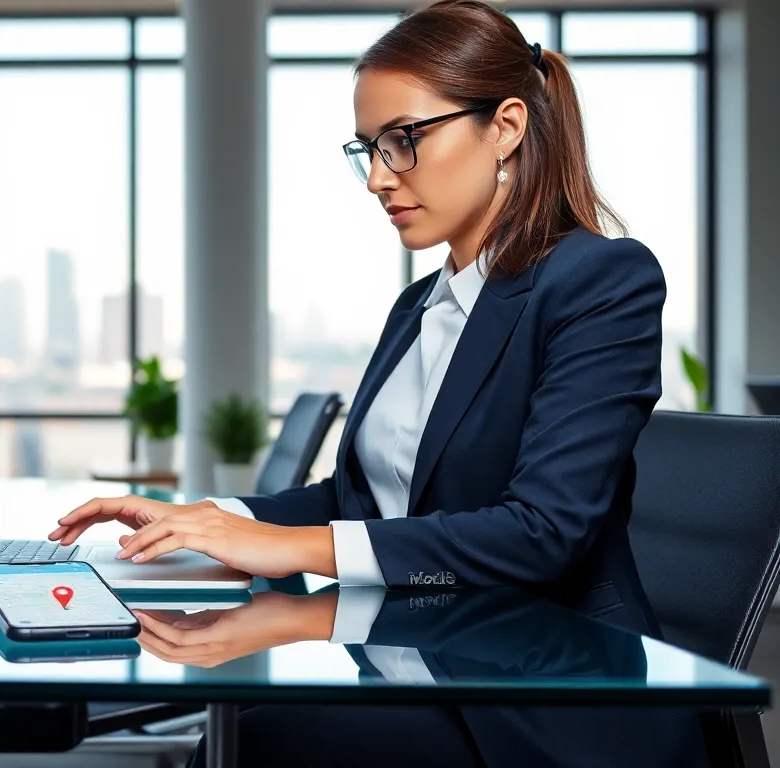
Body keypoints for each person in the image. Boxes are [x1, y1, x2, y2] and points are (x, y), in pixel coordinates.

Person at [49, 1, 711, 765]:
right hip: (418, 652)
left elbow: (544, 533)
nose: (376, 178)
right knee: (238, 719)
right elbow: (355, 500)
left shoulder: (600, 280)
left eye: (404, 141)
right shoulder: (416, 307)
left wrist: (280, 553)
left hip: (544, 703)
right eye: (367, 148)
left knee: (255, 739)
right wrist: (203, 521)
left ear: (506, 126)